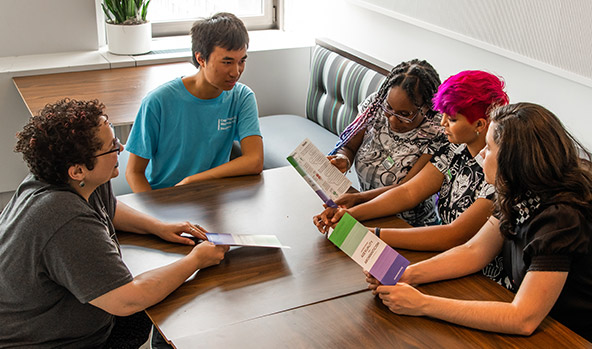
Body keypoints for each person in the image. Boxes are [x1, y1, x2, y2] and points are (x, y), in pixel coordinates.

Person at [0, 99, 229, 348]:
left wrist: (157, 226)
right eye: (111, 147)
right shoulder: (64, 219)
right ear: (78, 170)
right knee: (181, 311)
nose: (120, 148)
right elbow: (127, 300)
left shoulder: (69, 179)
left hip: (79, 315)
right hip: (51, 341)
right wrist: (196, 260)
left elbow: (110, 209)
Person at [366, 102, 592, 341]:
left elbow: (522, 318)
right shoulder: (518, 192)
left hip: (569, 336)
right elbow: (474, 251)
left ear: (515, 160)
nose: (482, 154)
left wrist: (423, 304)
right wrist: (406, 274)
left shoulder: (560, 219)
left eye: (490, 148)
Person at [314, 70, 511, 285]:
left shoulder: (499, 172)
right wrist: (351, 214)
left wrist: (370, 233)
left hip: (482, 281)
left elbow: (455, 235)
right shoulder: (454, 149)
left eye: (452, 118)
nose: (442, 123)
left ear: (480, 125)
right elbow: (409, 191)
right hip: (444, 259)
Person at [125, 12, 263, 192]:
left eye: (241, 61)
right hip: (166, 198)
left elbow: (255, 160)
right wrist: (153, 217)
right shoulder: (158, 101)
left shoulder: (242, 97)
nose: (236, 72)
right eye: (227, 62)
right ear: (200, 59)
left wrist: (192, 180)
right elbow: (134, 172)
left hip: (213, 196)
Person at [328, 59, 446, 227]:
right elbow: (349, 146)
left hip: (407, 225)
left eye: (404, 114)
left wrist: (358, 200)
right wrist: (343, 159)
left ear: (427, 107)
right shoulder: (375, 105)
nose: (392, 119)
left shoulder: (438, 131)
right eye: (389, 108)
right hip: (365, 212)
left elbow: (406, 190)